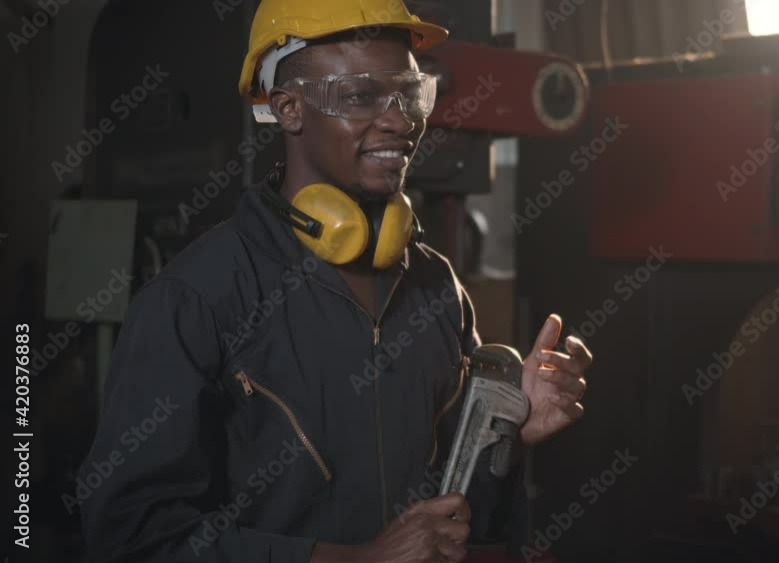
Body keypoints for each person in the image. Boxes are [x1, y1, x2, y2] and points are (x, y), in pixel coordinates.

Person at [78, 1, 592, 561]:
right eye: (361, 96)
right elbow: (131, 538)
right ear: (289, 108)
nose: (400, 120)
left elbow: (460, 516)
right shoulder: (198, 297)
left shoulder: (437, 289)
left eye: (409, 93)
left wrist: (507, 439)